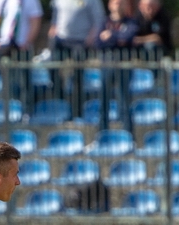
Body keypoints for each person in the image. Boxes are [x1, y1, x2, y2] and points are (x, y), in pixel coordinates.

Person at [48, 0, 106, 117]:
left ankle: (77, 111)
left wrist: (91, 38)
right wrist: (53, 30)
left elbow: (99, 19)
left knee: (77, 77)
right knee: (51, 68)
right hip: (61, 40)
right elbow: (55, 16)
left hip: (81, 41)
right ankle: (61, 100)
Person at [96, 0, 137, 130]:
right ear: (110, 5)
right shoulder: (104, 22)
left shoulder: (131, 22)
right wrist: (117, 39)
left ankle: (128, 135)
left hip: (123, 64)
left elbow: (127, 37)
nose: (118, 5)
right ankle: (102, 133)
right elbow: (98, 42)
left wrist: (110, 35)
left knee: (124, 101)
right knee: (104, 100)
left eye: (121, 2)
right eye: (115, 2)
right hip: (107, 62)